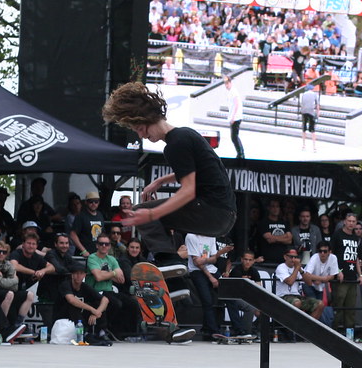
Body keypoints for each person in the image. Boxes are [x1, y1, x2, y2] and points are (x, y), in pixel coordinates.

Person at [103, 83, 237, 238]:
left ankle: (168, 259)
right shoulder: (186, 134)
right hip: (223, 214)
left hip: (212, 212)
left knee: (138, 212)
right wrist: (160, 181)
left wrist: (152, 214)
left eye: (139, 129)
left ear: (147, 118)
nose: (141, 136)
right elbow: (199, 170)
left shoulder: (175, 145)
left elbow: (188, 191)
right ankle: (170, 256)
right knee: (153, 213)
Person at [86, 234, 139, 338]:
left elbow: (121, 279)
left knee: (132, 303)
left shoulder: (112, 259)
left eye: (107, 244)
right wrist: (113, 273)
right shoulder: (92, 257)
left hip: (109, 291)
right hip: (95, 291)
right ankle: (105, 329)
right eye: (101, 244)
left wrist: (105, 273)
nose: (104, 246)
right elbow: (98, 277)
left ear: (110, 246)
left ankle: (125, 332)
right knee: (116, 303)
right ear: (97, 245)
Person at [185, 232, 232, 340]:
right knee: (207, 301)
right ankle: (213, 331)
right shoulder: (192, 236)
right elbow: (196, 263)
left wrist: (205, 259)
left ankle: (240, 329)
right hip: (197, 271)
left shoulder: (211, 236)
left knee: (229, 295)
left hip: (212, 269)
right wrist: (210, 277)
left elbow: (214, 259)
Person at [0, 240, 34, 326]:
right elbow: (1, 283)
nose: (1, 254)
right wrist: (15, 280)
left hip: (2, 290)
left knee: (30, 295)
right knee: (9, 294)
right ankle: (2, 324)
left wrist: (4, 278)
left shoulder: (7, 264)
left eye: (4, 252)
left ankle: (18, 324)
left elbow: (15, 287)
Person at [56, 262, 111, 343]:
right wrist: (92, 310)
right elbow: (71, 300)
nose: (79, 276)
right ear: (72, 275)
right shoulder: (66, 284)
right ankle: (84, 333)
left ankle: (101, 332)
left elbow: (105, 299)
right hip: (64, 318)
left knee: (98, 303)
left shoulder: (85, 286)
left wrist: (97, 312)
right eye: (76, 273)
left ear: (84, 275)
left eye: (81, 273)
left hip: (80, 319)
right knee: (74, 305)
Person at [332, 212, 362, 335]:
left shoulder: (356, 238)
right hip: (340, 277)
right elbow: (332, 255)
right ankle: (332, 333)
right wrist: (338, 271)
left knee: (350, 308)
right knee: (338, 306)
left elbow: (356, 258)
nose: (351, 223)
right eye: (349, 221)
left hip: (352, 277)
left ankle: (350, 335)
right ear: (344, 221)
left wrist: (360, 275)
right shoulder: (337, 235)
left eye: (353, 221)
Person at [274, 248, 323, 319]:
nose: (293, 259)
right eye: (291, 257)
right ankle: (293, 328)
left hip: (297, 296)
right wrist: (297, 268)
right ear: (285, 257)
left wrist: (301, 270)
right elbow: (290, 282)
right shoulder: (281, 267)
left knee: (320, 304)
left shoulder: (298, 268)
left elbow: (309, 283)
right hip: (283, 296)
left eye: (295, 257)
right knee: (297, 303)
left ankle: (307, 326)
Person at [222, 249, 262, 337]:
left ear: (253, 261)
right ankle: (245, 332)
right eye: (246, 259)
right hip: (236, 297)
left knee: (264, 309)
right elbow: (237, 290)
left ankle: (254, 330)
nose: (247, 262)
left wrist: (257, 302)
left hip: (249, 297)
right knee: (250, 308)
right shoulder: (236, 270)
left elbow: (258, 288)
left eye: (250, 260)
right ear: (241, 260)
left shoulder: (254, 271)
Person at [69, 191, 105, 258]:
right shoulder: (81, 216)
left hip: (98, 254)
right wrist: (83, 251)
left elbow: (103, 235)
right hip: (84, 255)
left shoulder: (100, 215)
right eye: (91, 201)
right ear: (86, 202)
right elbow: (73, 234)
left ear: (99, 203)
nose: (93, 204)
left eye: (96, 201)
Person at [258, 198, 293, 265]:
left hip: (283, 259)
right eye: (273, 206)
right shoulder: (264, 223)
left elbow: (289, 240)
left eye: (277, 206)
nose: (275, 209)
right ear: (268, 208)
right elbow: (270, 240)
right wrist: (284, 236)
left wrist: (274, 237)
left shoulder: (284, 222)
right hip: (268, 259)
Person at [223, 74, 245, 160]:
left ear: (230, 83)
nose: (226, 85)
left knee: (234, 136)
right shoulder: (231, 92)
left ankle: (240, 153)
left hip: (236, 117)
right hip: (234, 117)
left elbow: (236, 104)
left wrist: (233, 117)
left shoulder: (234, 92)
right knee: (234, 137)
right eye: (225, 84)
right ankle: (240, 153)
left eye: (227, 83)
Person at [299, 83, 320, 153]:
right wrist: (317, 113)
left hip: (304, 112)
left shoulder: (304, 94)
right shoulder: (314, 94)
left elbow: (302, 104)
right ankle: (314, 147)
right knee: (313, 130)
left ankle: (303, 145)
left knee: (304, 129)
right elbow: (317, 105)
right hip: (311, 112)